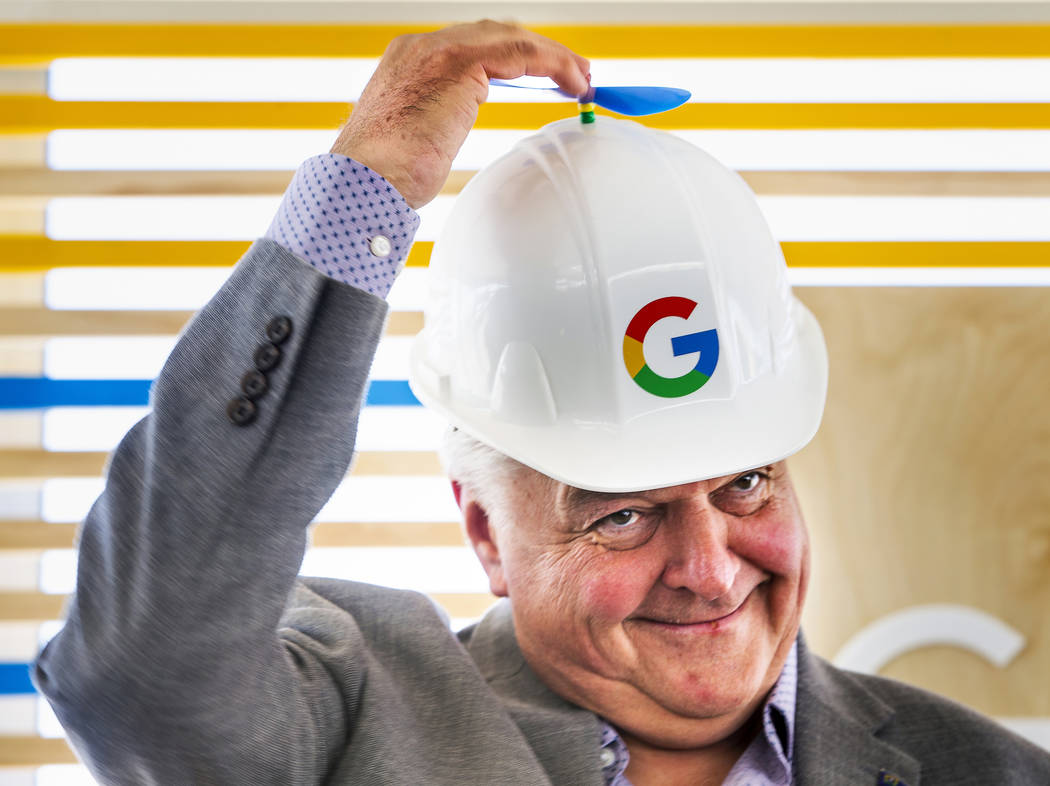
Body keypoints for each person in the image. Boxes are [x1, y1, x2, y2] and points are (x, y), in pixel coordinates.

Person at [33, 21, 1050, 786]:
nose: (708, 572)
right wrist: (362, 196)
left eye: (746, 482)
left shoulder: (986, 771)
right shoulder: (349, 708)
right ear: (483, 531)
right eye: (620, 512)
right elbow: (134, 676)